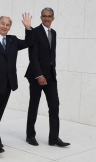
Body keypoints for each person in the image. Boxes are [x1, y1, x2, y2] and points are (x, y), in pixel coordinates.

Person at [0, 15, 33, 154]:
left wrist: (28, 27)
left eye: (7, 25)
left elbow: (30, 42)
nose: (5, 27)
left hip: (7, 84)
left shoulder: (13, 40)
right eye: (2, 24)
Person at [25, 7, 70, 147]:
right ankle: (30, 135)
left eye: (49, 16)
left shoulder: (54, 33)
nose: (47, 18)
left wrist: (50, 73)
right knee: (34, 105)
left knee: (54, 105)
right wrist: (39, 75)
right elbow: (33, 56)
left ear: (53, 18)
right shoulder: (35, 32)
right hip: (36, 75)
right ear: (40, 18)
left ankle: (54, 138)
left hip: (50, 76)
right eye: (44, 16)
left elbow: (51, 55)